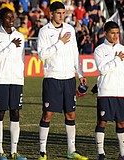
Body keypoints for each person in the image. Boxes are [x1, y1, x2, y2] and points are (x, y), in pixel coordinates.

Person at [37, 2, 88, 160]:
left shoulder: (69, 29)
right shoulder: (44, 31)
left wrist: (80, 73)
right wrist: (59, 43)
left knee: (71, 114)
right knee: (48, 114)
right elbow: (41, 55)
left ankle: (71, 150)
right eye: (58, 13)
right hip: (52, 77)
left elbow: (74, 52)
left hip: (69, 78)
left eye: (63, 13)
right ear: (51, 14)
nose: (61, 15)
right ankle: (42, 152)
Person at [0, 7, 27, 160]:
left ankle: (13, 151)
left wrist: (20, 76)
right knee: (0, 112)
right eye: (8, 18)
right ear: (0, 20)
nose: (11, 20)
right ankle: (0, 151)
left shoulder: (19, 36)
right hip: (1, 79)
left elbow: (22, 59)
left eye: (13, 17)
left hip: (16, 80)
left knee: (15, 113)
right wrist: (11, 45)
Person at [94, 21, 124, 160]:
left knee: (121, 122)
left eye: (117, 33)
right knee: (102, 122)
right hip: (106, 92)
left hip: (121, 92)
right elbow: (102, 70)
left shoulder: (122, 48)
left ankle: (122, 153)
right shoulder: (100, 50)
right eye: (112, 33)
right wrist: (117, 59)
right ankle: (100, 152)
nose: (115, 36)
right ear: (105, 33)